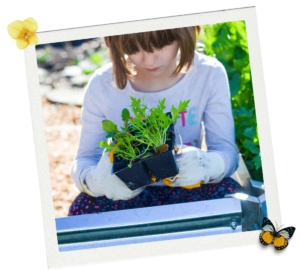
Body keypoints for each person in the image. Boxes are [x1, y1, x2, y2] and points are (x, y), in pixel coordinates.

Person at [68, 26, 244, 216]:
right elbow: (84, 160)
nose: (149, 60)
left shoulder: (209, 73)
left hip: (190, 187)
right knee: (83, 209)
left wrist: (208, 165)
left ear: (186, 30)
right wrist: (97, 181)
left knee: (233, 200)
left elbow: (227, 152)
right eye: (133, 47)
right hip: (127, 194)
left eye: (162, 44)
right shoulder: (101, 85)